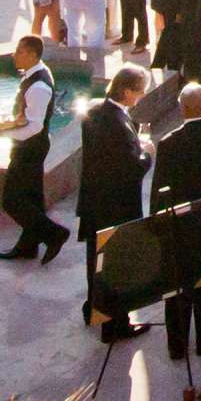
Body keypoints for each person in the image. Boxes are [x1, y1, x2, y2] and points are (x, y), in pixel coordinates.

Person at [0, 35, 71, 264]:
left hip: (30, 148)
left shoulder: (39, 86)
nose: (14, 55)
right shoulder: (34, 77)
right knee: (32, 198)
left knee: (12, 201)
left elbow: (33, 128)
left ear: (32, 55)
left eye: (19, 52)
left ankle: (55, 234)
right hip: (31, 146)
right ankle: (28, 246)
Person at [149, 82, 201, 359]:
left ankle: (177, 343)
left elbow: (159, 188)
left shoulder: (169, 143)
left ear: (182, 109)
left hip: (180, 222)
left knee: (175, 282)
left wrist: (156, 225)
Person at [76, 65, 153, 341]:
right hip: (116, 207)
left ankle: (92, 309)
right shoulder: (119, 125)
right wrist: (147, 154)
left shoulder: (94, 111)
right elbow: (132, 169)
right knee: (117, 267)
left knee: (93, 262)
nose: (141, 97)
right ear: (126, 91)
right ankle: (115, 326)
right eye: (139, 92)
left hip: (93, 202)